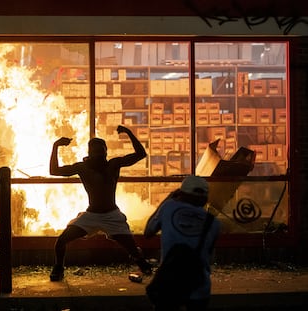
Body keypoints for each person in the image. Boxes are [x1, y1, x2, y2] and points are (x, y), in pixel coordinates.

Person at [49, 125, 152, 281]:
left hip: (112, 216)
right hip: (91, 215)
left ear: (106, 152)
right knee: (61, 241)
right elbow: (54, 171)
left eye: (101, 151)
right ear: (90, 153)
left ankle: (141, 262)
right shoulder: (83, 167)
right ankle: (58, 268)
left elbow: (141, 154)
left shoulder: (113, 164)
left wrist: (129, 133)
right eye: (95, 151)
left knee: (133, 250)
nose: (98, 154)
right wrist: (55, 146)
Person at [144, 175, 221, 311]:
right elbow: (210, 256)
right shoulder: (213, 223)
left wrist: (168, 199)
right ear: (205, 198)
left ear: (181, 193)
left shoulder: (169, 207)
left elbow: (148, 232)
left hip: (170, 284)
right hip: (199, 286)